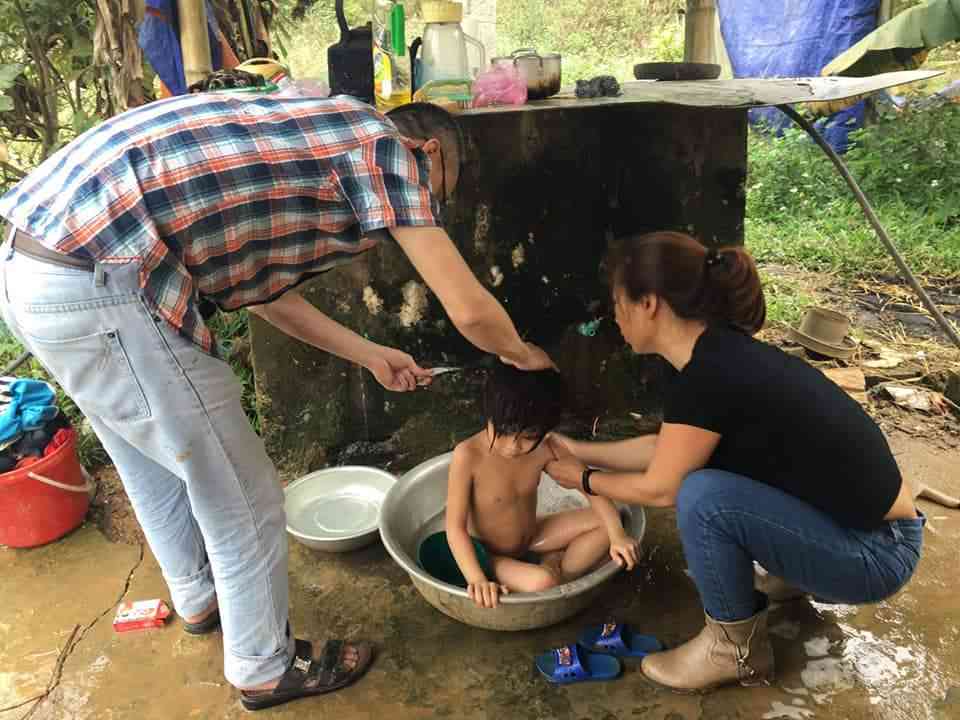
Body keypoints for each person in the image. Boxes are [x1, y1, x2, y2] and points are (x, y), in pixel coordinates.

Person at [0, 91, 552, 711]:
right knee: (245, 494)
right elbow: (470, 310)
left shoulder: (312, 138)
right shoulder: (387, 148)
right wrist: (524, 356)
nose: (428, 213)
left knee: (150, 462)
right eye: (439, 195)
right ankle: (264, 667)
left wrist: (370, 354)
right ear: (429, 152)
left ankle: (200, 597)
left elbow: (264, 297)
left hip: (34, 268)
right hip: (102, 280)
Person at [545, 231, 922, 693]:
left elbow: (661, 487)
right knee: (704, 477)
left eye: (619, 302)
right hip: (868, 529)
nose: (615, 316)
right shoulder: (713, 355)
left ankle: (733, 653)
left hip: (877, 553)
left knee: (703, 496)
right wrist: (579, 450)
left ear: (649, 304)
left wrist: (584, 479)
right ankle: (796, 571)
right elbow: (667, 447)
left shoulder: (709, 376)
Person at [439, 366, 639, 609]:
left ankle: (560, 567)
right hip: (489, 555)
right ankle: (549, 573)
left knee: (612, 519)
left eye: (528, 436)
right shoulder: (468, 455)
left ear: (545, 431)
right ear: (488, 415)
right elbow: (455, 528)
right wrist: (477, 579)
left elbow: (588, 486)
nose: (513, 446)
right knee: (543, 583)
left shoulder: (546, 447)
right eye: (503, 432)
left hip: (533, 536)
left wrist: (617, 536)